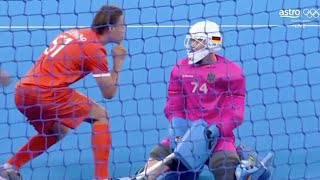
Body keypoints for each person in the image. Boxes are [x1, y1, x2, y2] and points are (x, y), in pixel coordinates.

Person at [0, 5, 126, 180]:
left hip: (22, 92)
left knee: (58, 129)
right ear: (111, 28)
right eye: (122, 25)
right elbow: (109, 93)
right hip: (46, 94)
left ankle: (8, 169)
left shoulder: (72, 33)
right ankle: (102, 178)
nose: (124, 29)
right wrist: (118, 61)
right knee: (100, 115)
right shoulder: (95, 50)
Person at [142, 20, 246, 180]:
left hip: (218, 138)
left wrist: (215, 130)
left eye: (198, 41)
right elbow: (173, 106)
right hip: (185, 135)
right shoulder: (179, 69)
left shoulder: (232, 72)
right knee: (157, 156)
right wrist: (178, 132)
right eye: (191, 40)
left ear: (212, 42)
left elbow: (236, 113)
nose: (192, 45)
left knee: (226, 167)